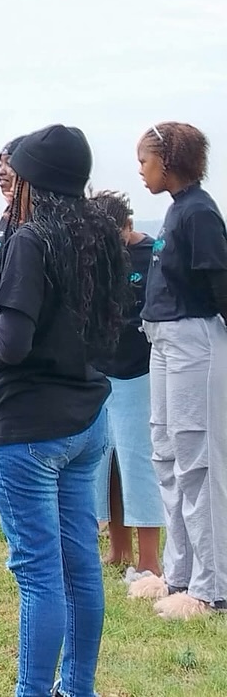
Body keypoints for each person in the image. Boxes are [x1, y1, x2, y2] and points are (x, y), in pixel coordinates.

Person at [0, 125, 129, 697]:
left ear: (32, 182)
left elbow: (14, 341)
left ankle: (33, 690)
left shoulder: (32, 240)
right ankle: (77, 689)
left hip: (27, 427)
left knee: (39, 573)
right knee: (80, 566)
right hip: (85, 417)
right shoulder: (101, 238)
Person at [129, 122, 227, 619]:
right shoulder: (176, 210)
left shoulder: (200, 214)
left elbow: (219, 285)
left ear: (168, 161)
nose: (140, 170)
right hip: (163, 338)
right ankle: (179, 572)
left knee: (199, 460)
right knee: (166, 453)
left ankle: (212, 586)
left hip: (195, 340)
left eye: (145, 160)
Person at [89, 191, 162, 580]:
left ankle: (149, 560)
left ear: (129, 227)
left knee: (139, 463)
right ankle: (118, 550)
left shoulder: (151, 255)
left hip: (140, 371)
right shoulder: (94, 254)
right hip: (102, 371)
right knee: (107, 464)